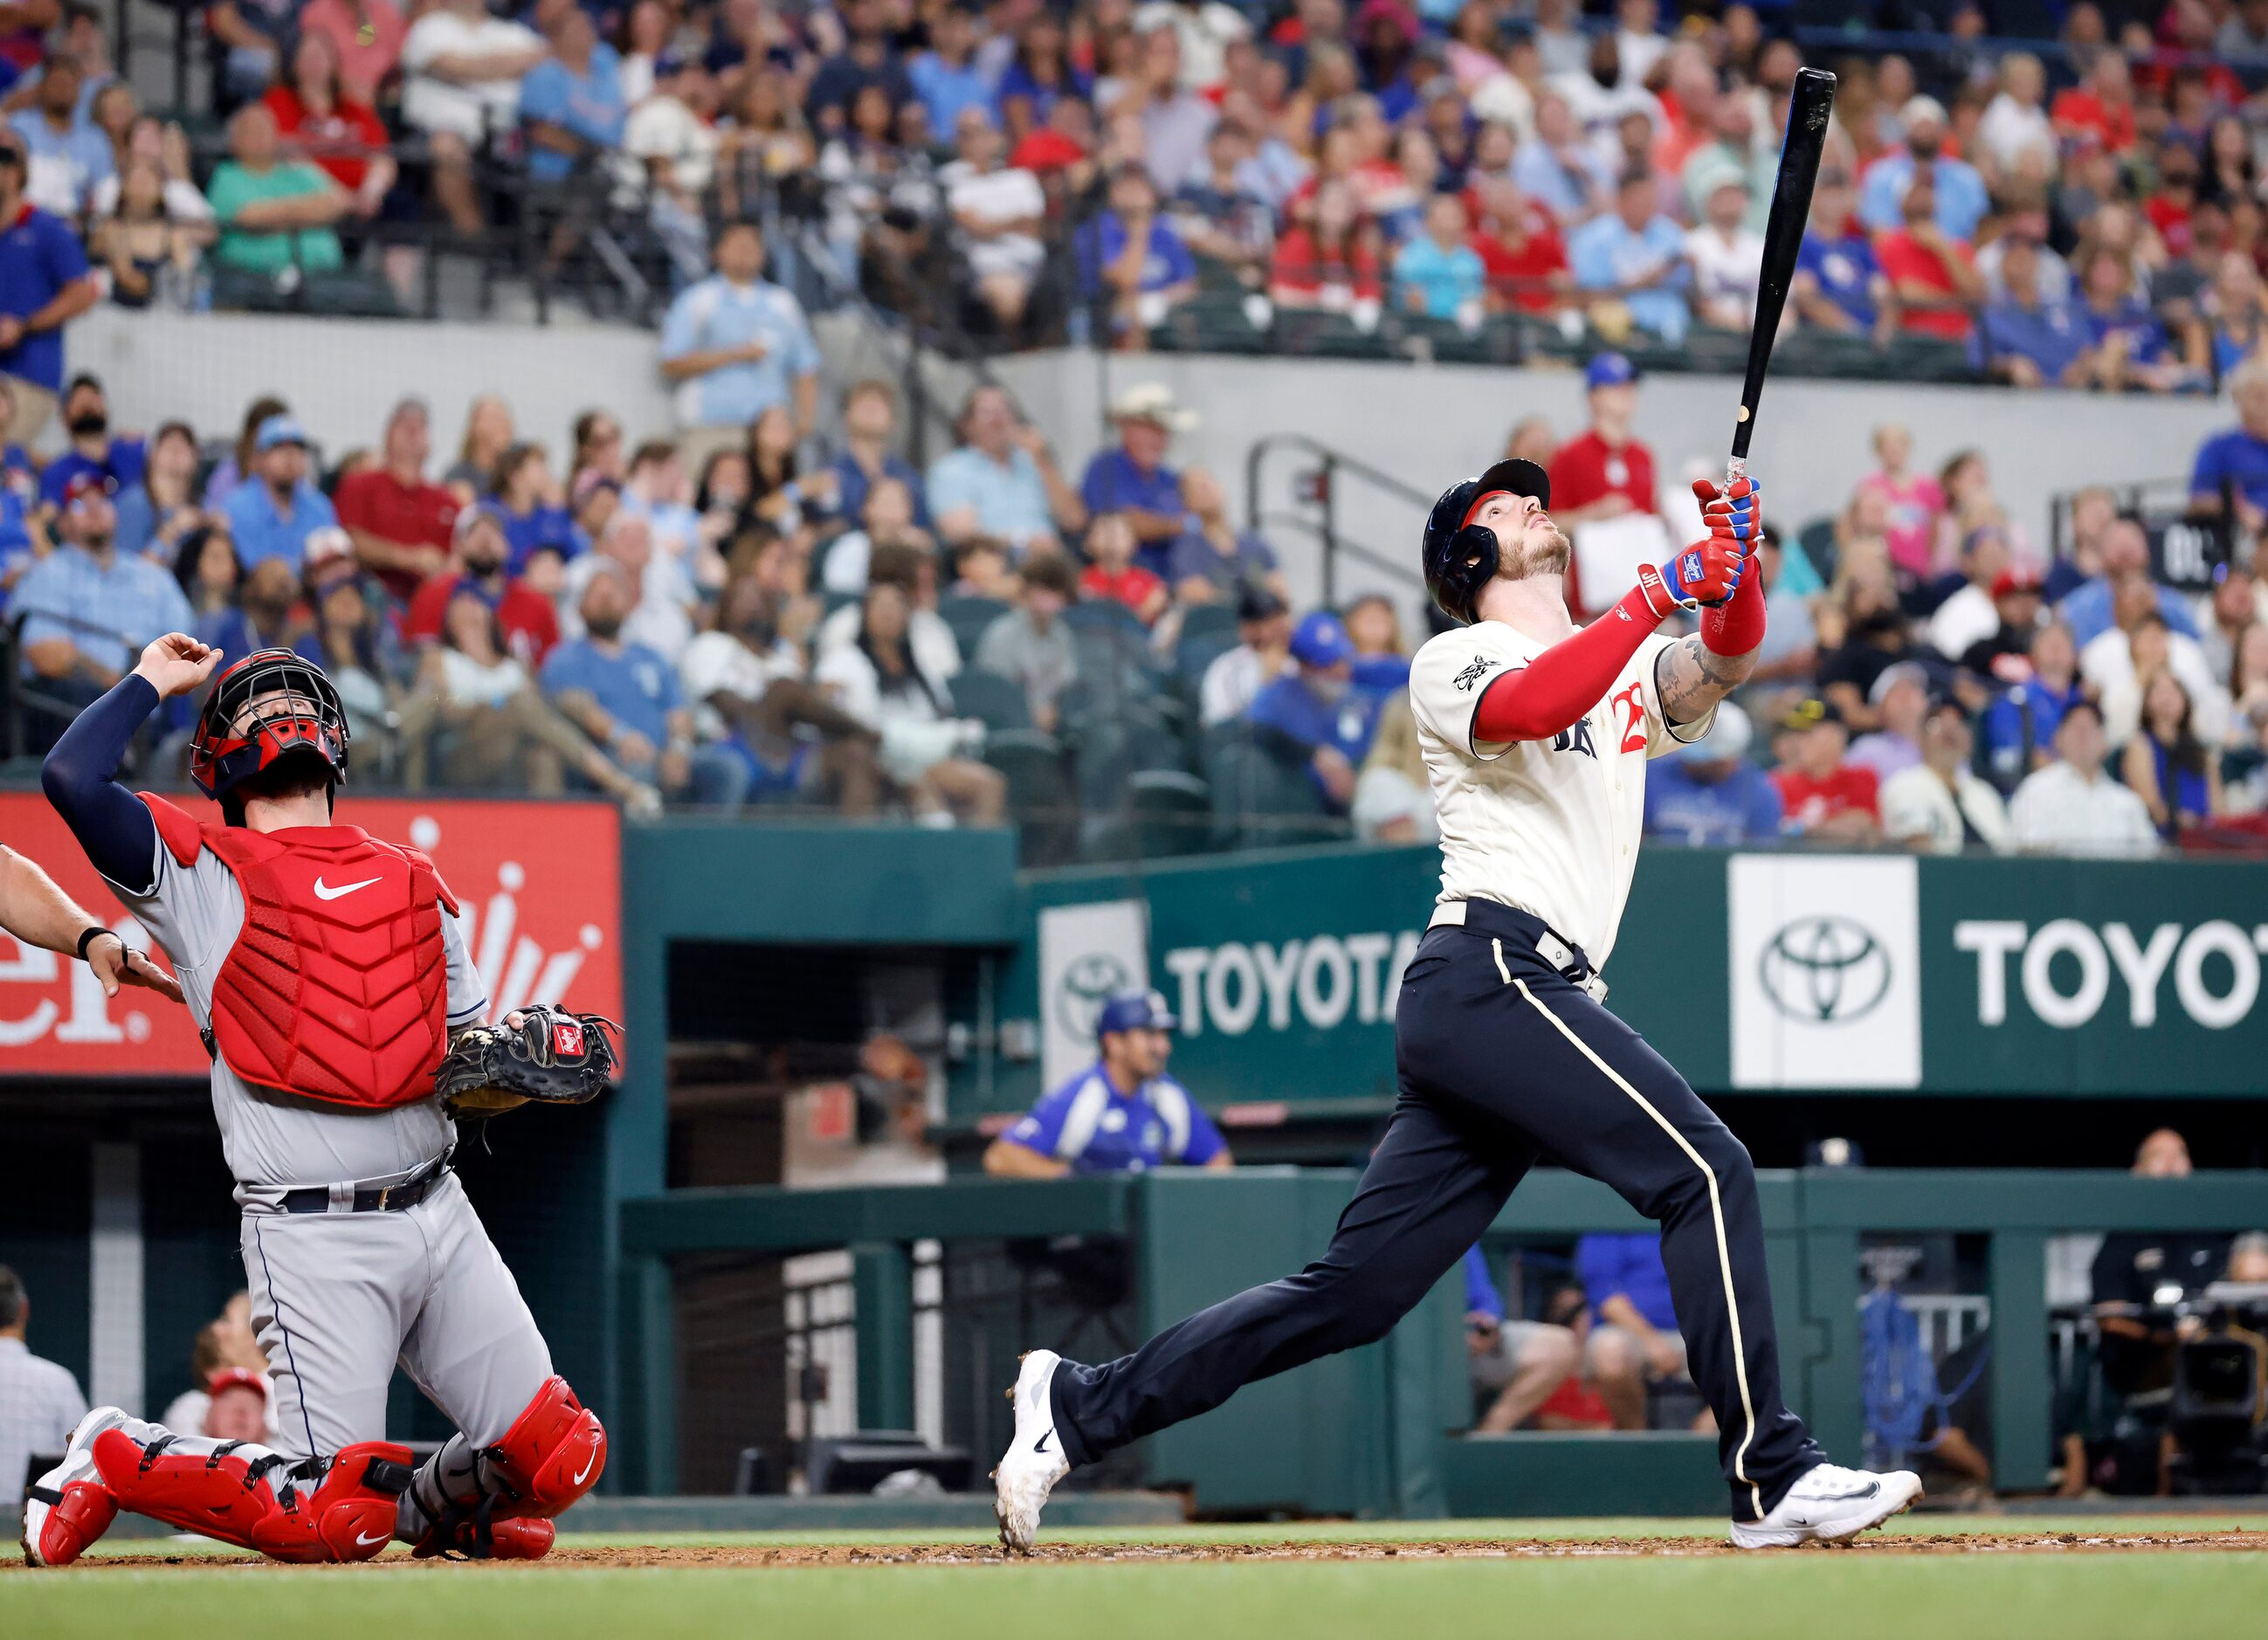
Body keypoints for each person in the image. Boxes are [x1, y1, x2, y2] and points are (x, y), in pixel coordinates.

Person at [988, 448, 1920, 1553]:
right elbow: (1535, 702)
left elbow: (1722, 659)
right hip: (1490, 972)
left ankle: (1080, 1406)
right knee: (1704, 1170)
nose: (1534, 504)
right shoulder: (1456, 655)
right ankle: (1772, 1475)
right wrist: (1660, 589)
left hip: (1507, 999)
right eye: (1506, 503)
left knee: (1352, 1295)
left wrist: (1736, 561)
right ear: (1471, 553)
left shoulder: (1614, 657)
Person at [29, 641, 609, 1568]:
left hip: (436, 1207)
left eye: (295, 700)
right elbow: (69, 775)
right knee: (327, 1518)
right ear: (219, 757)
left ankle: (430, 1511)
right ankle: (118, 1452)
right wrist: (149, 679)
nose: (278, 713)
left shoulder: (419, 881)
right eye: (253, 708)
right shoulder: (196, 869)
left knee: (562, 1456)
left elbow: (461, 1072)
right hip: (312, 1231)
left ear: (334, 739)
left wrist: (519, 1074)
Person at [540, 565, 748, 810]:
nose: (606, 600)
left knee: (729, 769)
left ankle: (709, 846)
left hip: (663, 753)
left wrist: (678, 749)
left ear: (629, 605)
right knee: (638, 771)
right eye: (597, 595)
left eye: (613, 593)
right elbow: (578, 708)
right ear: (580, 609)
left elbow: (678, 710)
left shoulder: (651, 657)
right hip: (608, 757)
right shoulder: (566, 658)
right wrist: (622, 737)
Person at [13, 474, 196, 740]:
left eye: (103, 501)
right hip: (76, 717)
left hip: (153, 714)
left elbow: (191, 644)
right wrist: (122, 687)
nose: (94, 509)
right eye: (80, 504)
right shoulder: (48, 573)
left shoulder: (152, 576)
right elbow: (47, 654)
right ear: (63, 523)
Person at [813, 579, 1003, 825]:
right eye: (880, 606)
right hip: (876, 751)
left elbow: (943, 713)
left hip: (924, 753)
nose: (888, 612)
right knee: (916, 785)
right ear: (865, 614)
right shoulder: (845, 658)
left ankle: (975, 861)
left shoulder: (921, 666)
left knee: (990, 785)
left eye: (896, 605)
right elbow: (822, 703)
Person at [984, 989, 1231, 1177]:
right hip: (1089, 1238)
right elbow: (1001, 1157)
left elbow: (1218, 1161)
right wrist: (1074, 1185)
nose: (1164, 1047)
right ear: (1114, 1042)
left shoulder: (1167, 1095)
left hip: (1151, 1235)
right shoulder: (1084, 1095)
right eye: (1149, 1035)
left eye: (1164, 1036)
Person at [658, 220, 819, 467]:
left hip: (769, 429)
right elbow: (671, 362)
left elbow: (806, 365)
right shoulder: (699, 300)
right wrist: (734, 355)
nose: (745, 251)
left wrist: (804, 422)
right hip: (711, 424)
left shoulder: (782, 303)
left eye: (752, 245)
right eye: (736, 244)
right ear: (717, 252)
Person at [399, 0, 546, 235]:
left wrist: (475, 67)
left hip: (510, 131)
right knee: (446, 147)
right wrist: (508, 65)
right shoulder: (430, 27)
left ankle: (534, 251)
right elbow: (450, 66)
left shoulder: (511, 31)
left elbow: (545, 56)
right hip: (445, 129)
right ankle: (475, 239)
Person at [0, 133, 96, 447]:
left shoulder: (45, 229)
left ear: (19, 173)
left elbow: (84, 292)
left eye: (6, 161)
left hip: (28, 374)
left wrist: (24, 325)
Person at [1547, 352, 1657, 619]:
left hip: (1640, 597)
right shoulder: (1570, 455)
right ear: (1593, 396)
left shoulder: (1643, 456)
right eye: (1616, 386)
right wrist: (1594, 515)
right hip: (1593, 601)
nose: (1627, 393)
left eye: (1629, 386)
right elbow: (1547, 523)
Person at [1245, 610, 1382, 812]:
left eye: (1341, 659)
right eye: (1327, 663)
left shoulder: (1361, 695)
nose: (1340, 670)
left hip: (1362, 802)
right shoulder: (1278, 696)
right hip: (1300, 809)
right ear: (1303, 666)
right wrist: (1314, 755)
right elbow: (1251, 731)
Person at [927, 385, 1085, 558]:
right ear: (967, 425)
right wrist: (1023, 542)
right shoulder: (950, 470)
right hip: (993, 564)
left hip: (1051, 565)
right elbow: (961, 535)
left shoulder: (1033, 462)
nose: (998, 420)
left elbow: (1074, 521)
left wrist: (1043, 461)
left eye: (1004, 410)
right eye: (987, 412)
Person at [331, 396, 459, 601]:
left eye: (421, 426)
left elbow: (460, 555)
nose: (413, 433)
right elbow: (349, 541)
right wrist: (409, 558)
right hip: (372, 593)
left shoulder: (447, 501)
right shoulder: (359, 485)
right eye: (405, 425)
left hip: (433, 598)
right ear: (388, 435)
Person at [206, 104, 349, 282]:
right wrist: (311, 211)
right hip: (253, 277)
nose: (262, 136)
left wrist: (278, 214)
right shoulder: (227, 175)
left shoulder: (298, 168)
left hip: (324, 275)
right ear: (234, 141)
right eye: (252, 130)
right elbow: (249, 217)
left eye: (267, 129)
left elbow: (340, 201)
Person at [404, 504, 560, 667]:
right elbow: (421, 659)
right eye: (474, 532)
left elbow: (550, 667)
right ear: (458, 545)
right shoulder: (434, 593)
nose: (485, 540)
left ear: (508, 545)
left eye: (494, 532)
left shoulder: (536, 604)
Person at [2, 1265, 88, 1540]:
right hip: (39, 1531)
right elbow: (86, 1467)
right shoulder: (56, 1381)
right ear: (23, 1311)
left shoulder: (56, 1380)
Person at [2007, 698, 2157, 855]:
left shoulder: (2127, 803)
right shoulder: (2035, 791)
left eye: (2090, 728)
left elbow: (2149, 861)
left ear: (2104, 742)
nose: (2083, 736)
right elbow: (2026, 855)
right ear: (2058, 739)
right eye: (2076, 728)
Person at [1577, 1230, 1692, 1431]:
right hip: (1632, 1334)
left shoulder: (1702, 1214)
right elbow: (1605, 1295)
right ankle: (1638, 1441)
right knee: (1610, 1350)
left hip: (1699, 1334)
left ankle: (1709, 1439)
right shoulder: (1611, 1218)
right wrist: (1652, 1341)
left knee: (1752, 1353)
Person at [1568, 169, 1691, 346]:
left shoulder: (1671, 235)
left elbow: (1687, 290)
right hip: (1616, 331)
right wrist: (1642, 283)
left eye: (1651, 198)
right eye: (1639, 197)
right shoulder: (1593, 238)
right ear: (1621, 199)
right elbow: (1589, 295)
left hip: (1672, 327)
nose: (1646, 205)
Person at [1879, 696, 2010, 854]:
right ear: (1920, 738)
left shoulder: (1985, 794)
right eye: (1936, 723)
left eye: (1959, 724)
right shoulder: (1903, 784)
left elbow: (2008, 852)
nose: (1950, 730)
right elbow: (1918, 850)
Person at [1642, 701, 1781, 844]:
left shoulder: (1758, 791)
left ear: (1730, 757)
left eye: (1710, 762)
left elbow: (1760, 853)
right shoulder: (1653, 775)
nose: (1696, 764)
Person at [1080, 383, 1193, 560]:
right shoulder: (1105, 466)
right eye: (1150, 429)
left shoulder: (1168, 478)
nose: (1157, 439)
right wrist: (1181, 525)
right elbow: (1125, 521)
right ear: (1127, 429)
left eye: (1163, 431)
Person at [974, 550, 1079, 733]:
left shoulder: (1063, 634)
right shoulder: (1002, 633)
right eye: (1042, 589)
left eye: (1054, 591)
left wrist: (1053, 713)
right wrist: (1030, 713)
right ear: (1027, 590)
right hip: (1008, 725)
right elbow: (993, 693)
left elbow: (1066, 687)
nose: (1047, 599)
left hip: (1055, 726)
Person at [222, 415, 338, 575]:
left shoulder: (320, 506)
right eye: (278, 448)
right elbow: (255, 569)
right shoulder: (236, 506)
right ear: (258, 459)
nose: (290, 456)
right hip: (256, 596)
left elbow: (331, 563)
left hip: (312, 595)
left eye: (298, 448)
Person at [2122, 666, 2220, 838]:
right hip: (2160, 840)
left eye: (2174, 691)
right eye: (2158, 690)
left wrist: (2204, 827)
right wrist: (2180, 822)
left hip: (2205, 842)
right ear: (2146, 701)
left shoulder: (2202, 752)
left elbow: (2219, 808)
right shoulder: (2140, 746)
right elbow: (2149, 805)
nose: (2167, 697)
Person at [1769, 697, 1880, 841]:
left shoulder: (1861, 777)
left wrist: (1801, 830)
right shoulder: (1779, 784)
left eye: (1808, 733)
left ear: (1837, 735)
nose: (1800, 741)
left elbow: (1860, 827)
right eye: (1797, 734)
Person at [1169, 466, 1284, 605]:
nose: (1207, 490)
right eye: (1197, 488)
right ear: (1187, 502)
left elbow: (1279, 589)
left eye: (1208, 483)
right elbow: (1193, 592)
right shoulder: (1186, 550)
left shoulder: (1254, 542)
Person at [1200, 585, 1292, 726]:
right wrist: (1268, 681)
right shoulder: (1226, 668)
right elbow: (1222, 727)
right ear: (1245, 628)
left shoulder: (1301, 663)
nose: (1270, 631)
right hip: (1249, 744)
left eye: (1275, 620)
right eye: (1261, 622)